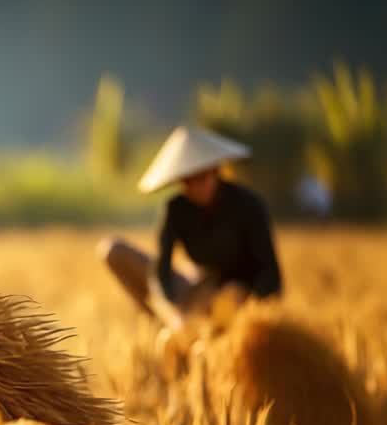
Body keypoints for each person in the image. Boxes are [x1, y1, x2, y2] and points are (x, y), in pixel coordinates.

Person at [100, 125, 282, 331]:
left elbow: (271, 276)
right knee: (112, 250)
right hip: (196, 290)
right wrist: (172, 309)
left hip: (237, 298)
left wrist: (250, 313)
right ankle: (162, 326)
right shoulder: (176, 209)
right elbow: (162, 271)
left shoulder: (249, 205)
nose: (196, 187)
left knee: (230, 297)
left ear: (216, 171)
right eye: (188, 180)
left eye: (202, 177)